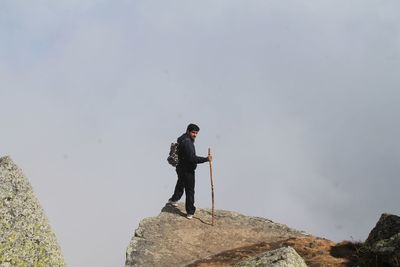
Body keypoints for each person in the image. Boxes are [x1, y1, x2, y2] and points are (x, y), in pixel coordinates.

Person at [167, 123, 212, 219]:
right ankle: (190, 212)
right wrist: (206, 159)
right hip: (187, 169)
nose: (195, 135)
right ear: (188, 131)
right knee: (190, 190)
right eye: (193, 132)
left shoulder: (182, 138)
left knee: (181, 183)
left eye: (196, 133)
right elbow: (192, 158)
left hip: (180, 167)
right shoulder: (188, 142)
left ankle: (174, 200)